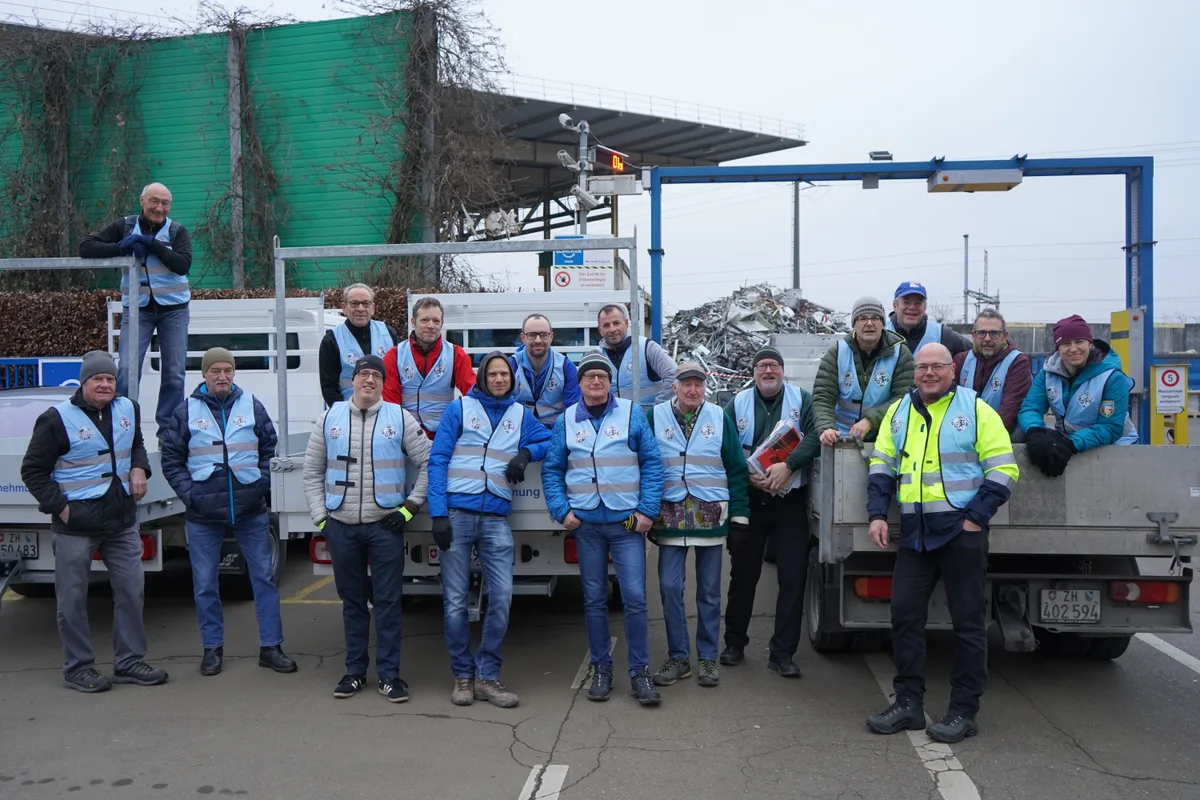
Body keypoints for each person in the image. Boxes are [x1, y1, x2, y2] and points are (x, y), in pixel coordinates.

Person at [865, 343, 1019, 744]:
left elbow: (1004, 469)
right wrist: (877, 514)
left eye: (937, 366)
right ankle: (908, 704)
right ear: (913, 372)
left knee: (967, 624)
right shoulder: (899, 412)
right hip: (915, 535)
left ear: (953, 370)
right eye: (922, 367)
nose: (929, 373)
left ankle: (964, 711)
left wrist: (974, 519)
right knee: (904, 616)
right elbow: (882, 464)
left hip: (960, 533)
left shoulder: (975, 409)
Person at [19, 351, 168, 692]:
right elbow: (33, 470)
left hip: (121, 519)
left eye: (110, 379)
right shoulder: (56, 419)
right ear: (83, 382)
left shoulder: (128, 408)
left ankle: (129, 662)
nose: (105, 385)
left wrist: (138, 468)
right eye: (97, 379)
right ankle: (78, 668)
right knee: (72, 599)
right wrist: (61, 506)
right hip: (76, 524)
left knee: (131, 591)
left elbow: (136, 446)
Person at [160, 347, 296, 677]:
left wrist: (261, 483)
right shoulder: (186, 411)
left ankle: (271, 647)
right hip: (203, 513)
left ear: (234, 373)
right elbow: (171, 459)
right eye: (215, 371)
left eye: (228, 371)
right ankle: (212, 649)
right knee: (205, 583)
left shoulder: (252, 405)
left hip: (250, 509)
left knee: (263, 579)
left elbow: (268, 447)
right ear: (204, 374)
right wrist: (191, 495)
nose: (222, 376)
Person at [302, 355, 431, 703]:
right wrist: (322, 519)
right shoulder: (330, 419)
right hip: (341, 526)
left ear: (383, 382)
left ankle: (390, 676)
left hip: (384, 526)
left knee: (388, 603)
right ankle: (354, 672)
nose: (369, 380)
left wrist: (410, 508)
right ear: (353, 379)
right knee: (353, 602)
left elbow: (431, 463)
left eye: (376, 375)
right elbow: (312, 472)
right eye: (363, 374)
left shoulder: (400, 418)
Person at [427, 352, 552, 708]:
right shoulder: (460, 409)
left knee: (502, 598)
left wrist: (525, 453)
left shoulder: (519, 414)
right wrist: (438, 514)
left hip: (496, 518)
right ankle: (463, 677)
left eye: (505, 375)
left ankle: (487, 676)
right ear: (482, 378)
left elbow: (551, 440)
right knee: (454, 602)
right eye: (493, 374)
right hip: (456, 514)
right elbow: (438, 459)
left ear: (512, 380)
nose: (499, 379)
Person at [542, 353, 664, 706]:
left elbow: (651, 462)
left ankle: (639, 672)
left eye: (602, 376)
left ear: (610, 382)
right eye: (589, 376)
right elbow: (552, 468)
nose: (596, 381)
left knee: (636, 599)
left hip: (626, 522)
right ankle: (601, 669)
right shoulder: (567, 419)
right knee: (594, 600)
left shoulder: (631, 413)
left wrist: (646, 510)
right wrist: (561, 510)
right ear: (579, 383)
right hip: (587, 525)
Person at [647, 362, 750, 690]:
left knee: (708, 592)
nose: (693, 390)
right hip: (670, 515)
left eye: (698, 384)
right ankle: (679, 657)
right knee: (669, 588)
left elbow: (736, 468)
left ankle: (707, 657)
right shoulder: (655, 416)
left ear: (705, 387)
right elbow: (645, 467)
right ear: (674, 387)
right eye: (686, 384)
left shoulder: (719, 417)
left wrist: (739, 515)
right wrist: (644, 511)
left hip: (709, 516)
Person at [720, 347, 819, 677]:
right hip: (751, 498)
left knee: (793, 575)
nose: (768, 371)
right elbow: (726, 444)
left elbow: (816, 434)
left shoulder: (801, 399)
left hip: (789, 499)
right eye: (762, 365)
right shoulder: (738, 403)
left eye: (774, 365)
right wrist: (747, 476)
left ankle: (783, 653)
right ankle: (735, 643)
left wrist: (788, 467)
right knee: (744, 574)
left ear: (782, 369)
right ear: (753, 372)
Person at [79, 183, 193, 439]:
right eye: (154, 201)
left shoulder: (177, 231)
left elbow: (183, 264)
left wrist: (151, 244)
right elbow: (86, 247)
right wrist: (121, 247)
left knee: (174, 373)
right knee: (128, 372)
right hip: (137, 311)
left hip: (173, 310)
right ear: (142, 201)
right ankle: (124, 429)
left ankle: (169, 434)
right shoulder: (126, 226)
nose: (159, 208)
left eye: (165, 203)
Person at [1019, 314, 1138, 477]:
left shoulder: (1112, 377)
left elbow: (1110, 427)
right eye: (1066, 343)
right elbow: (1030, 407)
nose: (1073, 349)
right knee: (1028, 440)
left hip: (1115, 446)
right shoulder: (1047, 374)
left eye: (1079, 342)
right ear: (1058, 348)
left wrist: (1070, 444)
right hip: (1071, 442)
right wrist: (1035, 431)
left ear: (1089, 343)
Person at [814, 296, 913, 445]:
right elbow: (823, 396)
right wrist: (826, 427)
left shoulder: (900, 353)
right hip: (842, 437)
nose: (869, 323)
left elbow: (904, 398)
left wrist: (871, 420)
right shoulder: (837, 352)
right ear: (854, 324)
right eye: (862, 318)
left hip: (886, 437)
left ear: (883, 324)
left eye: (875, 318)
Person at [382, 296, 476, 437]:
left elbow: (473, 393)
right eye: (425, 320)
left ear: (442, 324)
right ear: (413, 322)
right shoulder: (394, 355)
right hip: (406, 434)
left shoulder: (456, 354)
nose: (431, 325)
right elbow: (390, 403)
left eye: (436, 321)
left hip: (444, 433)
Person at [319, 283, 401, 407]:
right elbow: (328, 387)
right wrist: (345, 414)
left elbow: (397, 378)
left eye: (366, 303)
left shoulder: (388, 333)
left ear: (373, 308)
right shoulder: (332, 340)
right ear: (344, 307)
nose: (361, 309)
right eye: (354, 304)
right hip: (346, 411)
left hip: (383, 411)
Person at [953, 308, 1032, 436]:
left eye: (994, 333)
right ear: (973, 336)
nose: (987, 338)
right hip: (965, 433)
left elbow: (1009, 410)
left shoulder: (1017, 362)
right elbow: (952, 404)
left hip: (1000, 433)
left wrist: (982, 438)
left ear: (1004, 336)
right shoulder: (961, 360)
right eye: (981, 333)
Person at [592, 304, 676, 410]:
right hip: (613, 422)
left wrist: (658, 410)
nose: (612, 329)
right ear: (600, 330)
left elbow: (674, 375)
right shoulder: (596, 356)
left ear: (626, 323)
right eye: (606, 325)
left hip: (646, 420)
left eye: (616, 323)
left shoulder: (647, 348)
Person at [512, 313, 581, 427]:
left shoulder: (566, 367)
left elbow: (572, 410)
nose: (538, 340)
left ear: (551, 337)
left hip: (555, 431)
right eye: (532, 335)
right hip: (520, 431)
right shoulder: (511, 366)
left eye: (543, 334)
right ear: (523, 338)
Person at [887, 281, 971, 358]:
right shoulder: (882, 333)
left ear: (925, 307)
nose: (912, 307)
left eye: (918, 303)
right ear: (895, 306)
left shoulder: (942, 334)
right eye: (906, 302)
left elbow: (975, 353)